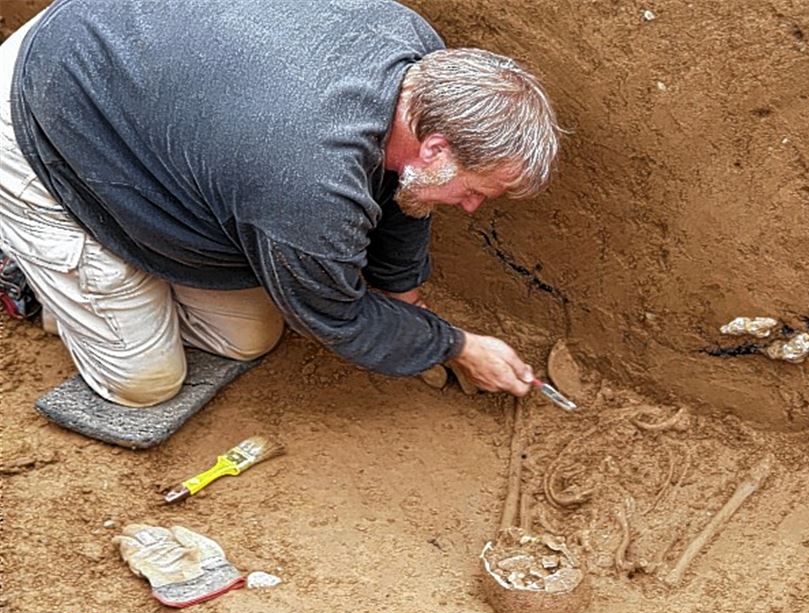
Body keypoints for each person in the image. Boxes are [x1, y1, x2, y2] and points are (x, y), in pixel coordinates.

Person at [0, 0, 561, 407]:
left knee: (248, 337)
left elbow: (408, 192)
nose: (469, 208)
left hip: (138, 73)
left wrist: (400, 293)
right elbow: (334, 316)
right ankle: (24, 274)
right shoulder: (309, 184)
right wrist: (455, 346)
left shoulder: (422, 65)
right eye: (475, 192)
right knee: (146, 382)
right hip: (43, 111)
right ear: (435, 146)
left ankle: (121, 270)